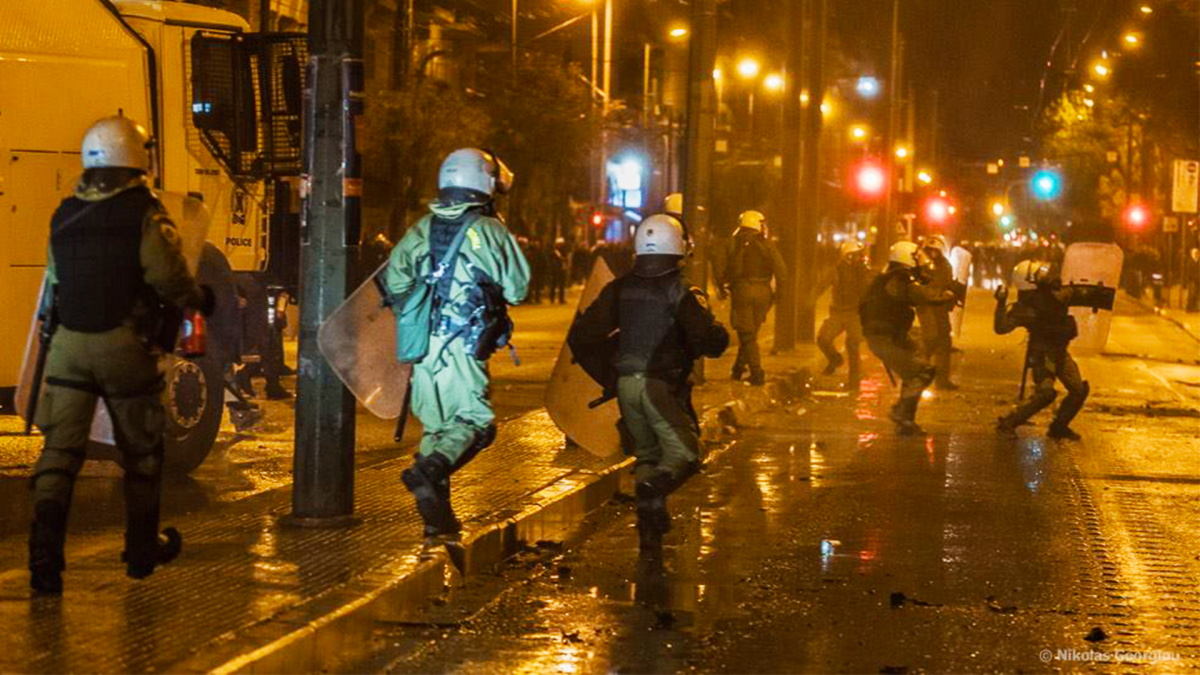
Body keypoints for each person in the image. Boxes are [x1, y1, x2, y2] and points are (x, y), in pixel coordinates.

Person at [28, 115, 214, 594]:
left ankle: (44, 560)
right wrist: (201, 298)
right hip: (122, 344)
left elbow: (52, 283)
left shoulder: (64, 213)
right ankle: (140, 552)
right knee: (142, 452)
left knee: (59, 454)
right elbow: (167, 278)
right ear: (137, 160)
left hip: (68, 344)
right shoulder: (144, 213)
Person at [385, 148, 530, 542]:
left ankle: (438, 523)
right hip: (464, 344)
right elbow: (518, 287)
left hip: (423, 348)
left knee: (437, 429)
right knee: (474, 424)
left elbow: (394, 283)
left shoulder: (422, 228)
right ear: (485, 183)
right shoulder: (491, 230)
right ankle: (428, 473)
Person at [567, 214, 728, 556]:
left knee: (647, 455)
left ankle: (650, 527)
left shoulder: (620, 287)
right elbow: (704, 340)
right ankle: (653, 494)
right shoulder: (681, 291)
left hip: (626, 387)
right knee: (685, 452)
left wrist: (612, 373)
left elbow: (582, 336)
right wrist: (719, 335)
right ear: (679, 247)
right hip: (659, 387)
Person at [860, 241, 956, 435]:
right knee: (922, 372)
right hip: (884, 338)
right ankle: (901, 414)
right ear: (906, 257)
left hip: (892, 336)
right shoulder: (898, 279)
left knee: (916, 369)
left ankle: (906, 421)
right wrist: (947, 295)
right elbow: (923, 296)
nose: (919, 261)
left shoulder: (891, 277)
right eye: (916, 258)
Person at [994, 260, 1090, 440]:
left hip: (1059, 352)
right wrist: (1000, 304)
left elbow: (1074, 294)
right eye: (1042, 275)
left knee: (1079, 390)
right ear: (1031, 281)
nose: (1049, 277)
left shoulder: (1055, 295)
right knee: (1046, 394)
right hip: (1043, 354)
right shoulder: (1028, 307)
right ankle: (1009, 423)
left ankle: (1059, 427)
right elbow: (1001, 328)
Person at [718, 210, 787, 385]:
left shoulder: (732, 243)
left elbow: (720, 267)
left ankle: (757, 373)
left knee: (747, 335)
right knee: (750, 333)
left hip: (741, 291)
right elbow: (782, 272)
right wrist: (778, 295)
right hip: (763, 292)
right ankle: (738, 369)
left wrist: (721, 286)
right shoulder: (767, 245)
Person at [817, 240, 874, 388]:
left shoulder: (864, 271)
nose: (858, 258)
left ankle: (854, 382)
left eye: (859, 255)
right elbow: (822, 285)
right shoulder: (836, 270)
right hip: (837, 312)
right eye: (855, 256)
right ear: (847, 256)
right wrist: (808, 301)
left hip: (855, 314)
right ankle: (835, 360)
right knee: (823, 339)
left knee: (853, 344)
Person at [916, 235, 960, 390]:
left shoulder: (945, 266)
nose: (933, 253)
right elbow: (925, 289)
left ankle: (942, 380)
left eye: (936, 251)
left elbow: (946, 283)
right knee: (929, 342)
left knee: (944, 343)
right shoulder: (921, 267)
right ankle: (919, 378)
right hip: (927, 309)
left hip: (940, 310)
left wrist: (954, 291)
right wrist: (941, 294)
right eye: (930, 250)